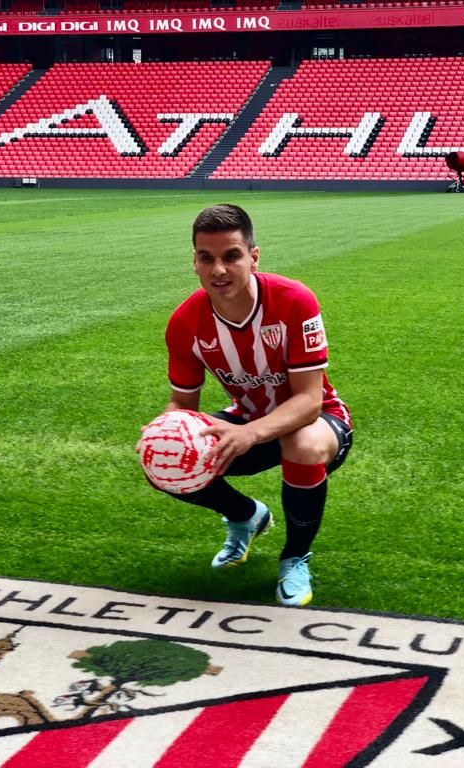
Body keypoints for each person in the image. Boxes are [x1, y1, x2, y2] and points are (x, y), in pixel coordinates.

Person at [148, 204, 353, 607]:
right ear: (194, 262)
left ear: (253, 257)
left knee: (303, 445)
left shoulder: (294, 300)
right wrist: (166, 428)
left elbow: (310, 400)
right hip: (247, 420)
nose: (219, 270)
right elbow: (183, 403)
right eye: (207, 258)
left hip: (319, 421)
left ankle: (294, 557)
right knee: (163, 458)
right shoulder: (184, 322)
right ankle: (246, 515)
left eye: (231, 256)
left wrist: (250, 433)